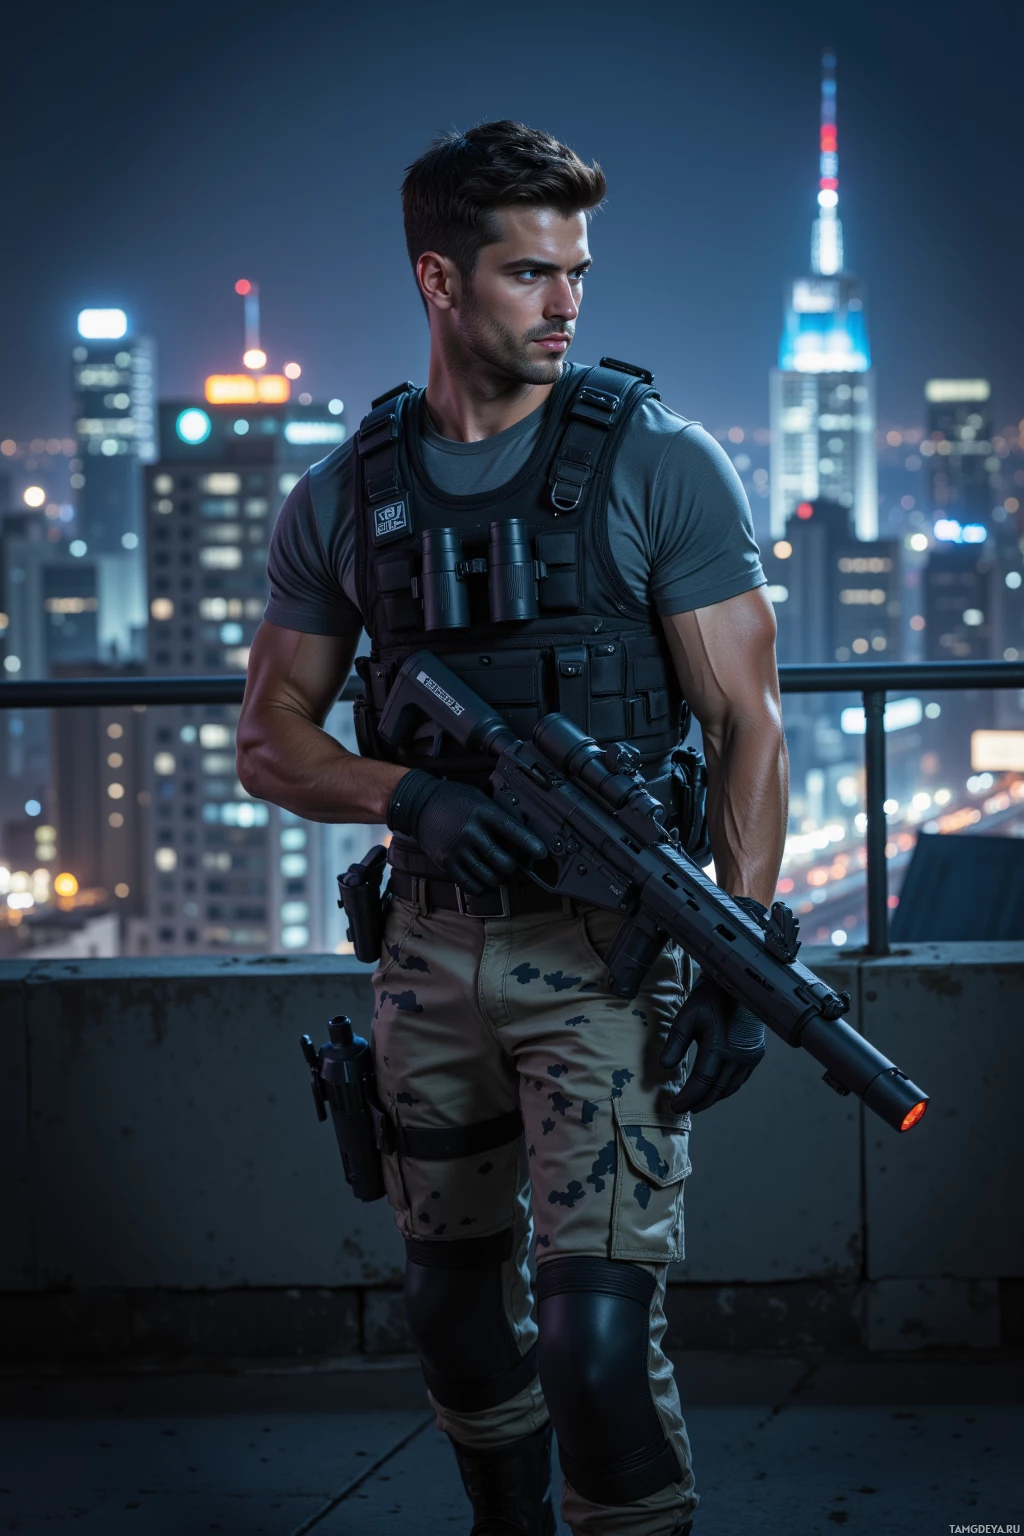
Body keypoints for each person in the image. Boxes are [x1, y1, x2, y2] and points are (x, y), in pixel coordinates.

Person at [237, 119, 787, 1536]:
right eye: (531, 272)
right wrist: (410, 794)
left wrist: (736, 947)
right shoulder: (348, 495)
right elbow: (270, 741)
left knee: (597, 1350)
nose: (566, 304)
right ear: (438, 280)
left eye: (579, 272)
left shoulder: (658, 465)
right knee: (450, 1314)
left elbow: (747, 728)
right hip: (426, 957)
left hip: (607, 962)